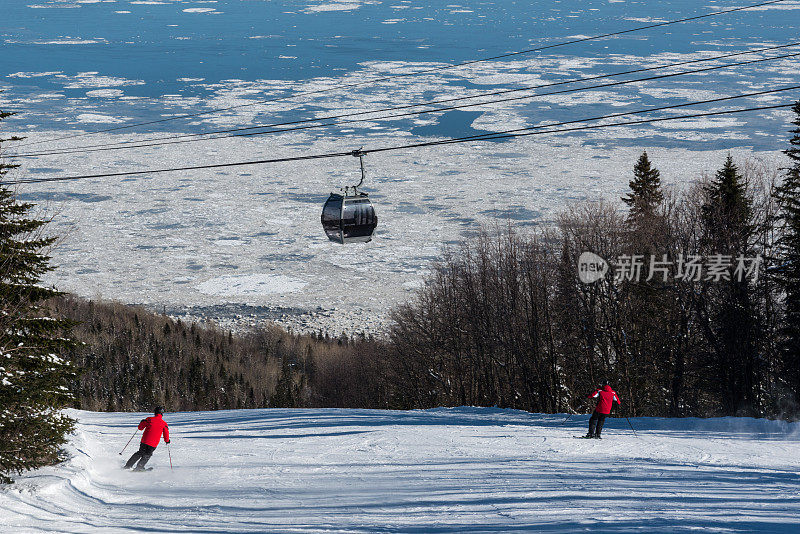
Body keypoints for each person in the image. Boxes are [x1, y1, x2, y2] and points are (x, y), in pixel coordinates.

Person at [124, 406, 170, 471]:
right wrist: (167, 441)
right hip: (153, 443)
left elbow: (140, 428)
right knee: (147, 455)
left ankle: (128, 465)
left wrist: (142, 422)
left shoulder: (149, 419)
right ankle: (139, 467)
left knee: (140, 453)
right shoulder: (164, 424)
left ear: (155, 413)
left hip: (144, 441)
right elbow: (166, 434)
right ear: (162, 414)